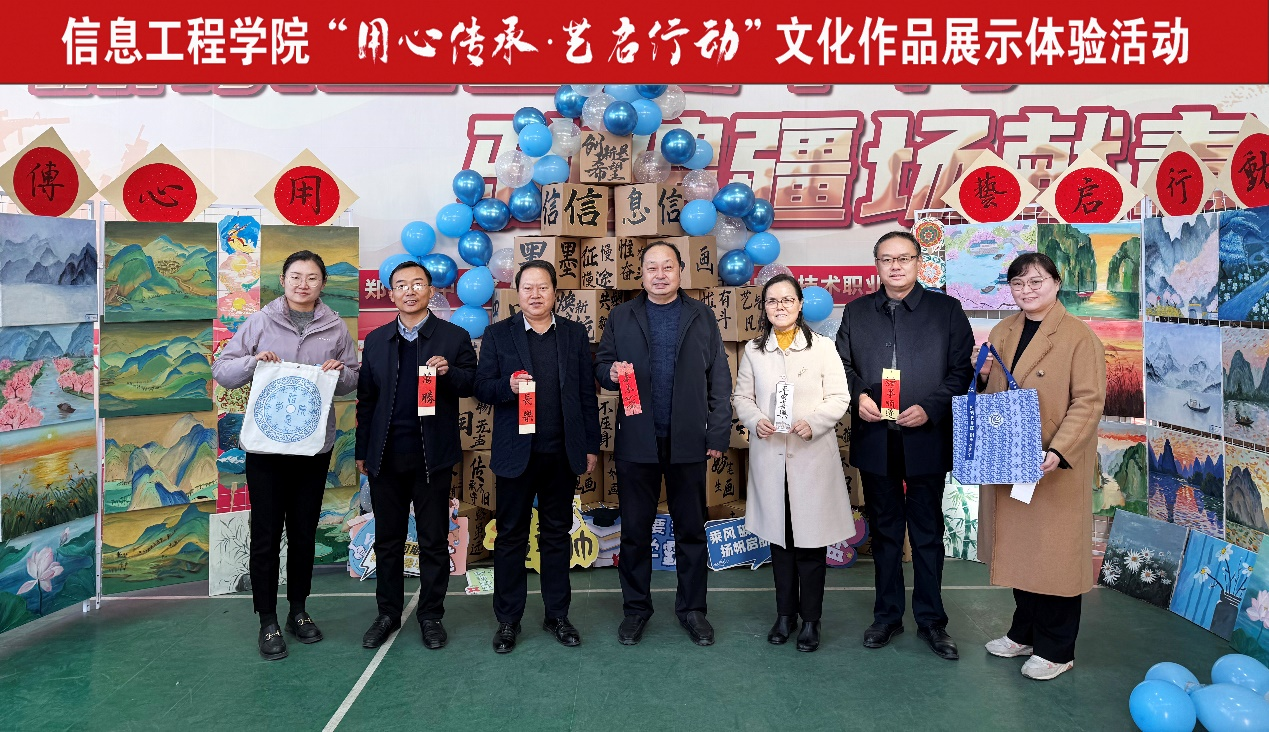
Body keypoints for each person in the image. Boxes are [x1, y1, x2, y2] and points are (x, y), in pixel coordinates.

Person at [212, 250, 360, 661]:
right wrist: (252, 362)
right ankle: (267, 619)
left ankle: (298, 610)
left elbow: (354, 377)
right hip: (267, 448)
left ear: (322, 283)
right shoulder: (260, 321)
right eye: (296, 276)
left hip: (313, 448)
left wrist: (340, 372)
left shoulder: (335, 326)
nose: (303, 284)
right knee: (265, 534)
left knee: (303, 532)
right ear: (283, 280)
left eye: (312, 277)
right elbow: (222, 369)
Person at [835, 231, 974, 661]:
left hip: (926, 437)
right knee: (886, 532)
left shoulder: (946, 310)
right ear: (876, 264)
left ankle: (932, 621)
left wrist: (931, 408)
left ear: (918, 262)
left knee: (928, 533)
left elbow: (961, 371)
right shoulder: (857, 312)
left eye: (904, 258)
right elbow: (841, 365)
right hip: (876, 438)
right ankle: (887, 615)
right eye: (886, 259)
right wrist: (859, 394)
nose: (895, 266)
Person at [595, 241, 732, 646]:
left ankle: (693, 610)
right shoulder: (622, 316)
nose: (659, 274)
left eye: (667, 267)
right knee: (635, 532)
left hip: (689, 441)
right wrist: (610, 372)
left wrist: (718, 432)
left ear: (679, 271)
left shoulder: (701, 315)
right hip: (637, 440)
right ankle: (636, 610)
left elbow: (719, 378)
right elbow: (600, 365)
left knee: (691, 530)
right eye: (651, 267)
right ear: (641, 274)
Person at [977, 252, 1106, 681]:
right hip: (1012, 457)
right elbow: (995, 393)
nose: (1026, 290)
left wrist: (1060, 450)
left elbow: (1088, 402)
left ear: (1056, 282)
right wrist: (983, 374)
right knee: (1021, 551)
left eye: (1036, 281)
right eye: (1018, 283)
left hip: (1053, 464)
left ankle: (1057, 649)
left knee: (1055, 558)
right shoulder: (1003, 330)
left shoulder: (1079, 337)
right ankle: (1025, 632)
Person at [475, 260, 600, 654]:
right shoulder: (498, 334)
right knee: (510, 536)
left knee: (557, 535)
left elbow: (586, 394)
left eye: (542, 287)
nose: (535, 294)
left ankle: (557, 615)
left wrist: (590, 445)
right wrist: (507, 387)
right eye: (527, 287)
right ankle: (508, 620)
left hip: (561, 453)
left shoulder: (574, 334)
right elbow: (481, 387)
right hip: (516, 454)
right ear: (517, 293)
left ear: (554, 292)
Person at [355, 259, 478, 651]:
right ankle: (387, 614)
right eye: (401, 285)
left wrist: (449, 373)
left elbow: (473, 383)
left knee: (433, 540)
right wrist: (363, 450)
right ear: (391, 294)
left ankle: (431, 616)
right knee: (387, 541)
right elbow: (366, 401)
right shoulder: (377, 341)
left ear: (431, 290)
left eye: (418, 283)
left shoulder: (453, 337)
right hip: (385, 456)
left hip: (432, 457)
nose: (410, 291)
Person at [733, 274, 854, 653]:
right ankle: (784, 615)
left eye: (787, 300)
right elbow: (741, 397)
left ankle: (811, 620)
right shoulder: (755, 350)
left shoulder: (823, 348)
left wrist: (813, 422)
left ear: (800, 305)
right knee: (780, 541)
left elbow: (839, 396)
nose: (780, 306)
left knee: (811, 544)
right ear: (764, 308)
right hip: (771, 457)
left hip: (811, 457)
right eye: (772, 301)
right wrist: (755, 419)